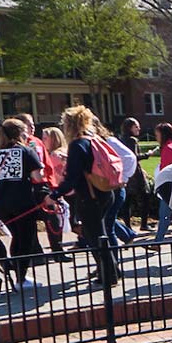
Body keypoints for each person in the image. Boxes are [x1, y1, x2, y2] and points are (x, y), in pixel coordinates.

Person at [57, 105, 119, 286]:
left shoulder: (77, 145)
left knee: (95, 238)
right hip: (105, 192)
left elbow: (73, 177)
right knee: (102, 234)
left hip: (89, 196)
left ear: (69, 125)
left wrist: (55, 194)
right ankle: (112, 271)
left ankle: (108, 276)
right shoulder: (94, 139)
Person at [0, 117, 46, 284]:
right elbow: (38, 176)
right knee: (25, 239)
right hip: (22, 201)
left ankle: (17, 273)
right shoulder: (25, 151)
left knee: (16, 236)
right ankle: (21, 277)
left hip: (1, 203)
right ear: (19, 133)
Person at [39, 125, 69, 253]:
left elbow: (54, 176)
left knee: (59, 220)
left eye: (45, 138)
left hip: (61, 190)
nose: (42, 140)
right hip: (69, 189)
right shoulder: (65, 152)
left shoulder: (54, 155)